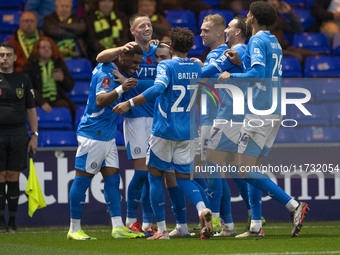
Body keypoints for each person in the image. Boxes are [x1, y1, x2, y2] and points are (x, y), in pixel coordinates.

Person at [219, 1, 309, 238]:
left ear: (253, 18)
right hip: (274, 108)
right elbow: (262, 70)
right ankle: (256, 226)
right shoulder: (273, 41)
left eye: (248, 14)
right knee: (251, 167)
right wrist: (242, 62)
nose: (247, 17)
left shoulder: (257, 40)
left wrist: (232, 76)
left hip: (260, 110)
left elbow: (258, 75)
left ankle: (293, 205)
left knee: (244, 168)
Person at [113, 27, 213, 240]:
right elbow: (211, 70)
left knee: (154, 177)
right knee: (184, 179)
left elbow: (158, 89)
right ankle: (202, 209)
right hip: (186, 132)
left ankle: (162, 230)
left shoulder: (166, 65)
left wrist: (128, 102)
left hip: (164, 130)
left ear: (173, 47)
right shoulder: (196, 68)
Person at [67, 45, 145, 240]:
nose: (136, 67)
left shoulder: (112, 68)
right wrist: (121, 88)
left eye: (138, 63)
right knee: (82, 180)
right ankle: (74, 228)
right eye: (134, 62)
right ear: (123, 56)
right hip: (94, 133)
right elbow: (100, 100)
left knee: (112, 179)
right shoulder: (106, 73)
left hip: (107, 134)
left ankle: (118, 227)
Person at [97, 13, 158, 235]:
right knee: (142, 173)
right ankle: (131, 219)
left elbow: (163, 81)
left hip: (158, 117)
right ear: (132, 30)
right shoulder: (127, 51)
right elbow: (100, 57)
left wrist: (134, 83)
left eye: (149, 25)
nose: (147, 28)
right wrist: (120, 48)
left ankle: (147, 222)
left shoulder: (158, 50)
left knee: (154, 174)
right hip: (135, 117)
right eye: (141, 26)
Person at [0, 42, 38, 233]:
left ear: (15, 58)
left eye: (8, 55)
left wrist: (35, 135)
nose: (4, 58)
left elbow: (31, 109)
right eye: (1, 55)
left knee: (13, 176)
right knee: (0, 177)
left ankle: (12, 222)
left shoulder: (23, 80)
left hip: (18, 134)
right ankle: (0, 222)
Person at [22, 36, 76, 121]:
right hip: (36, 100)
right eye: (43, 47)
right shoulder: (29, 65)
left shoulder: (58, 63)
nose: (47, 49)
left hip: (56, 99)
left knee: (66, 107)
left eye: (49, 47)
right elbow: (27, 88)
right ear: (37, 50)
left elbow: (70, 86)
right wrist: (41, 102)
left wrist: (63, 79)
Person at [86, 0, 129, 64]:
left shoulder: (121, 16)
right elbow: (92, 40)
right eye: (103, 1)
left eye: (109, 1)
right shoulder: (90, 18)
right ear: (98, 2)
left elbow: (125, 36)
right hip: (98, 56)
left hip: (120, 55)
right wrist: (107, 54)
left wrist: (117, 51)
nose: (106, 4)